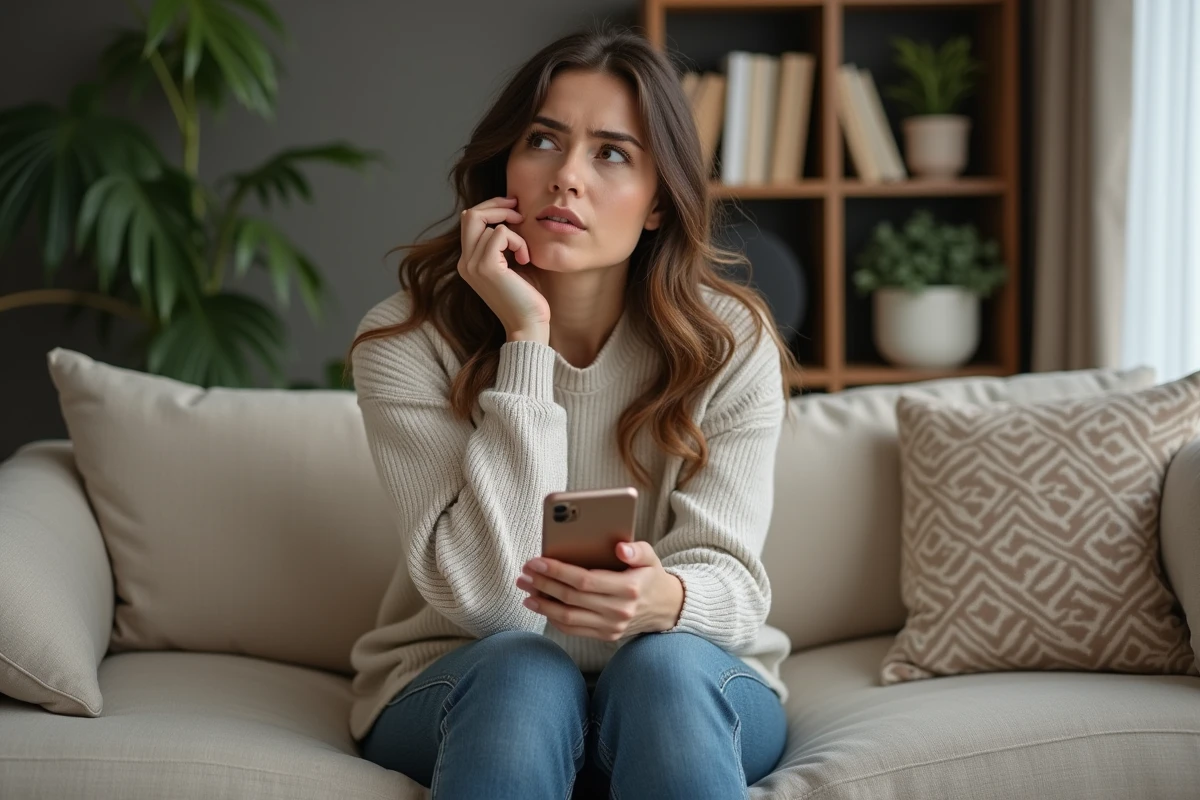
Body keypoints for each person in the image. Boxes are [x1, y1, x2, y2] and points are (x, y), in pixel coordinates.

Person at [344, 21, 803, 800]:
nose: (567, 178)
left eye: (612, 153)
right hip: (465, 676)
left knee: (660, 667)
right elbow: (491, 604)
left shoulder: (729, 343)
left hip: (681, 678)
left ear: (658, 203)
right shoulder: (407, 339)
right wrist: (527, 340)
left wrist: (667, 599)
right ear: (504, 170)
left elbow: (735, 583)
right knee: (526, 673)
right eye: (544, 142)